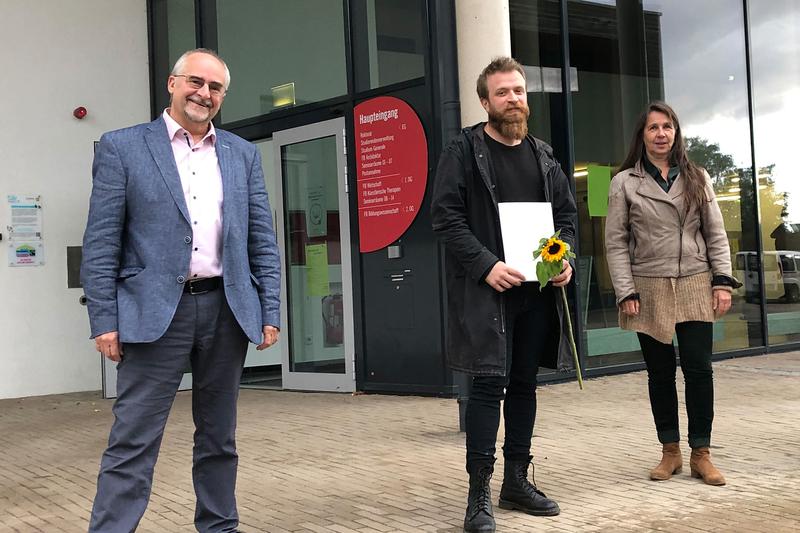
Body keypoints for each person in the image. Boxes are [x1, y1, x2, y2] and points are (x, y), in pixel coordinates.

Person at [81, 48, 281, 532]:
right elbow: (102, 240)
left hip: (226, 311)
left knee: (219, 438)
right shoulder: (123, 146)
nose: (204, 94)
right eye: (196, 82)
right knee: (133, 438)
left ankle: (219, 526)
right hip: (153, 315)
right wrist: (104, 318)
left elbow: (262, 238)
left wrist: (269, 308)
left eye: (215, 88)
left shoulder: (242, 154)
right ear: (172, 84)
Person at [431, 57, 578, 533]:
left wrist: (566, 260)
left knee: (525, 385)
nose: (513, 98)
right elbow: (446, 218)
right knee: (487, 387)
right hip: (489, 294)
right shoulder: (463, 150)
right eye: (502, 92)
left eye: (518, 90)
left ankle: (516, 480)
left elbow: (568, 220)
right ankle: (478, 494)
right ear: (484, 101)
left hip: (536, 292)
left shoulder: (545, 154)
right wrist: (486, 265)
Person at [605, 101, 740, 487]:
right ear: (642, 135)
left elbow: (715, 232)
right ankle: (670, 452)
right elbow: (615, 242)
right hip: (649, 286)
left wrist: (722, 280)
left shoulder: (697, 176)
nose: (661, 133)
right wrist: (625, 290)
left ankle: (702, 453)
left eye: (668, 127)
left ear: (676, 133)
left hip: (696, 282)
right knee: (660, 374)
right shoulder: (625, 182)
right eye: (653, 128)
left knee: (699, 370)